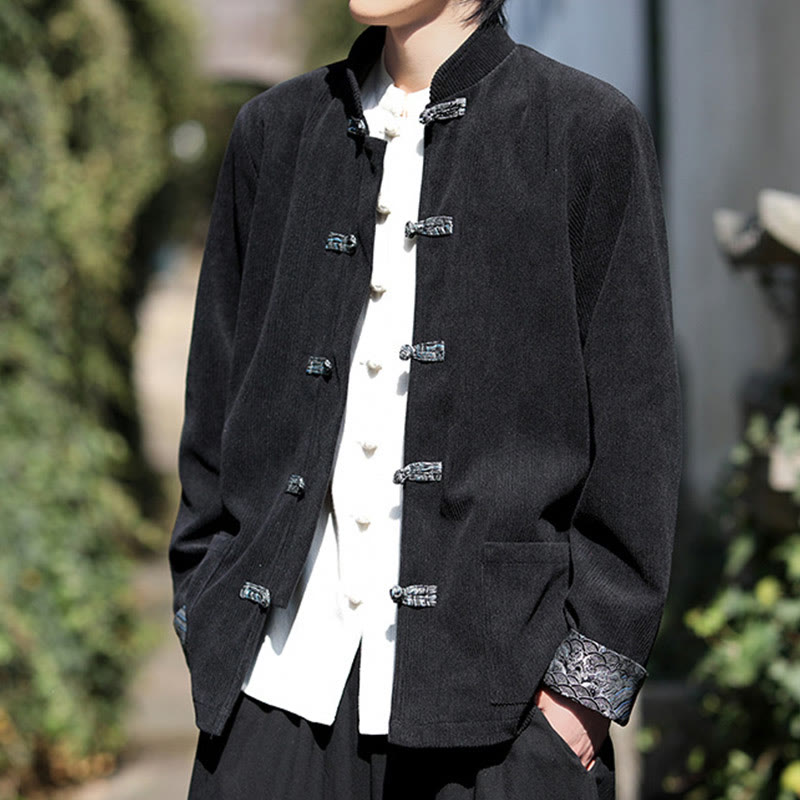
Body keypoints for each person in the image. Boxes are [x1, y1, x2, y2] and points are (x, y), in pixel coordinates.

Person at [168, 0, 683, 797]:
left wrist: (580, 701)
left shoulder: (587, 131)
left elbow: (636, 434)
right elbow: (216, 399)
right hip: (270, 696)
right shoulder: (275, 131)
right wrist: (203, 610)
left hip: (503, 715)